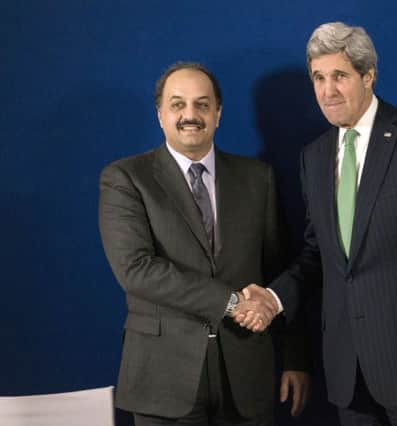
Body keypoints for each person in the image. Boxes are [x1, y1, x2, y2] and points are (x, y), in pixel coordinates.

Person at [235, 22, 397, 426]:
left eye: (340, 76)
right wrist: (273, 298)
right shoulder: (313, 158)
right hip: (347, 369)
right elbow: (319, 255)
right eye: (318, 77)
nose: (327, 90)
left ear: (368, 76)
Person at [98, 62, 310, 426]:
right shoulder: (126, 179)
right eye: (178, 104)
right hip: (164, 380)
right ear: (161, 114)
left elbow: (278, 268)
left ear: (218, 113)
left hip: (248, 378)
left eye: (202, 104)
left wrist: (294, 359)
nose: (190, 115)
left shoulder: (257, 177)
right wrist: (231, 303)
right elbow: (137, 270)